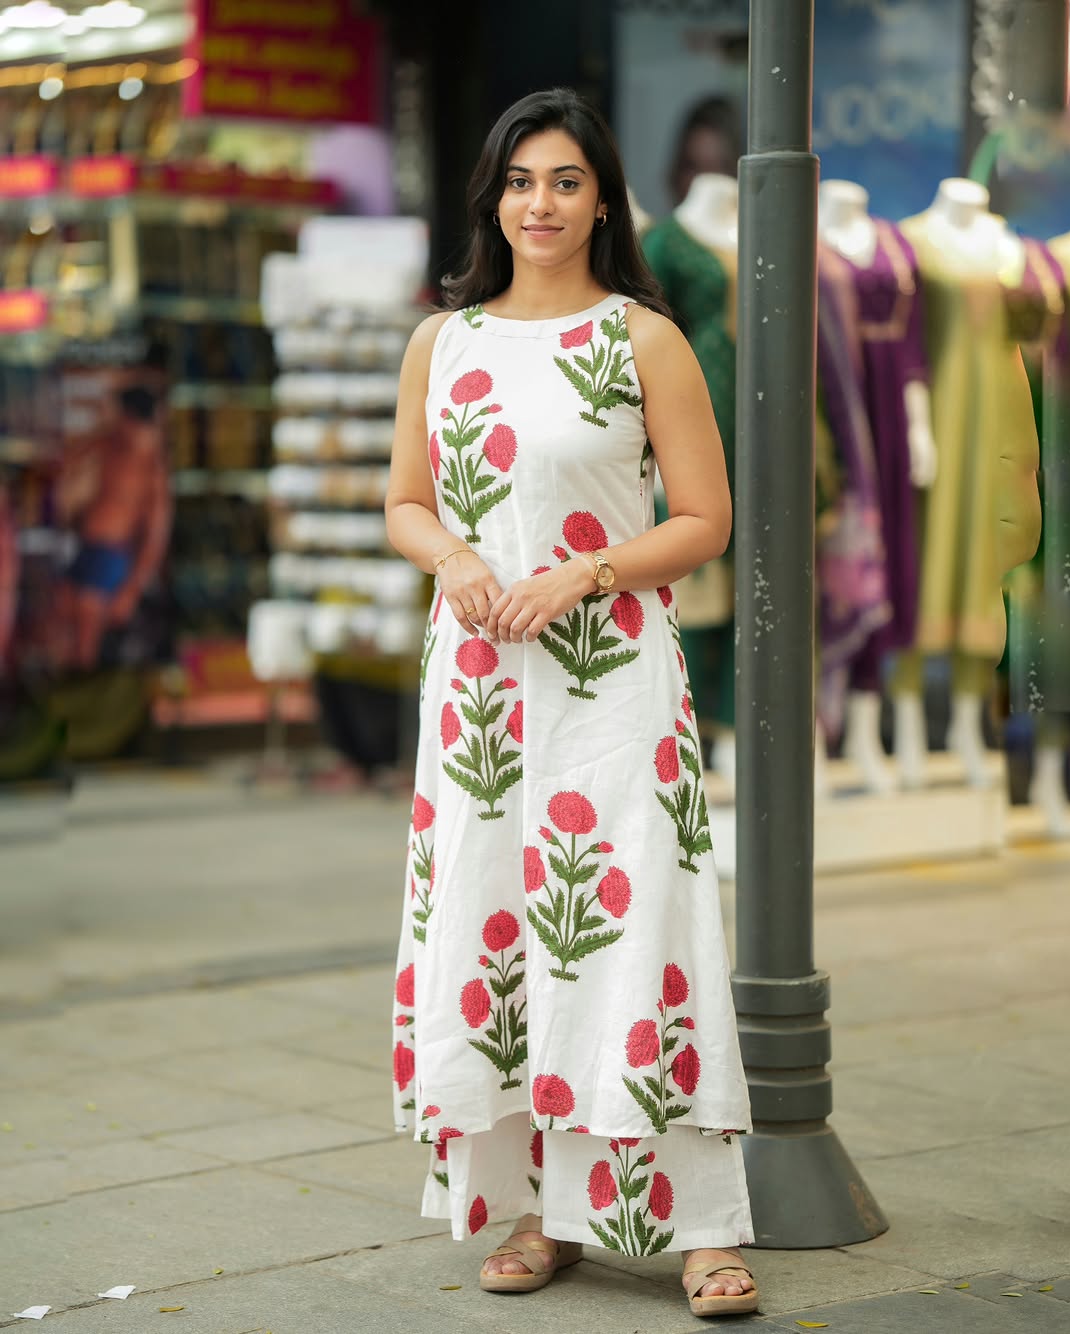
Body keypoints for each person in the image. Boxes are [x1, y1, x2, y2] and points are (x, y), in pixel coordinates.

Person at [385, 87, 758, 1319]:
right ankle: (539, 1210)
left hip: (614, 691)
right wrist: (461, 563)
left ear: (604, 198)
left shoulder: (640, 336)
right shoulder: (444, 343)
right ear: (491, 195)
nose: (537, 205)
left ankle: (701, 1225)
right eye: (517, 181)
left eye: (564, 181)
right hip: (482, 689)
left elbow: (705, 521)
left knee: (638, 932)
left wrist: (584, 570)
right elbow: (407, 502)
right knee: (499, 930)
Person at [53, 384, 171, 671]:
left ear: (130, 416)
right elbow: (65, 459)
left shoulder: (151, 467)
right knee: (61, 618)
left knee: (86, 636)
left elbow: (155, 536)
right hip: (87, 545)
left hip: (112, 555)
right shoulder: (109, 442)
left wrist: (132, 588)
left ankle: (82, 701)